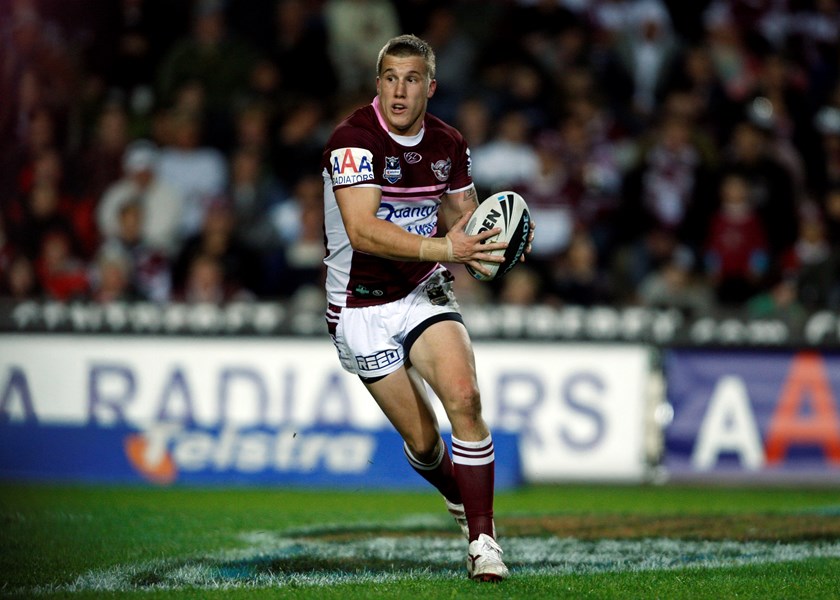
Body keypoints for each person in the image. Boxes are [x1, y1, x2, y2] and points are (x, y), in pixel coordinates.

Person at [321, 34, 533, 582]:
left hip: (422, 290)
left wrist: (498, 242)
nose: (399, 90)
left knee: (465, 396)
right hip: (359, 306)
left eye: (411, 79)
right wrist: (446, 248)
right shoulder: (352, 141)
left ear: (430, 87)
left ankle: (483, 540)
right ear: (378, 84)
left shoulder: (449, 142)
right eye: (390, 78)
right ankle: (458, 495)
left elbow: (466, 220)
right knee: (422, 442)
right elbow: (362, 231)